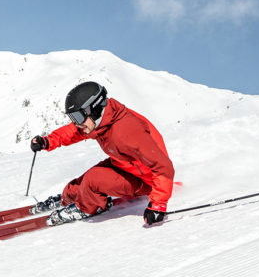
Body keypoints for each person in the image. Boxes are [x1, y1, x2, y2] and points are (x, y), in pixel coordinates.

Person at [30, 81, 175, 226]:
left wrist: (158, 205)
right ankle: (67, 198)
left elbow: (163, 166)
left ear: (94, 109)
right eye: (73, 118)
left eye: (78, 118)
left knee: (93, 180)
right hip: (124, 166)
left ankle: (87, 208)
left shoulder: (127, 131)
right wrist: (47, 141)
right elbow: (74, 132)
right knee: (76, 186)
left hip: (146, 181)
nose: (77, 124)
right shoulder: (101, 121)